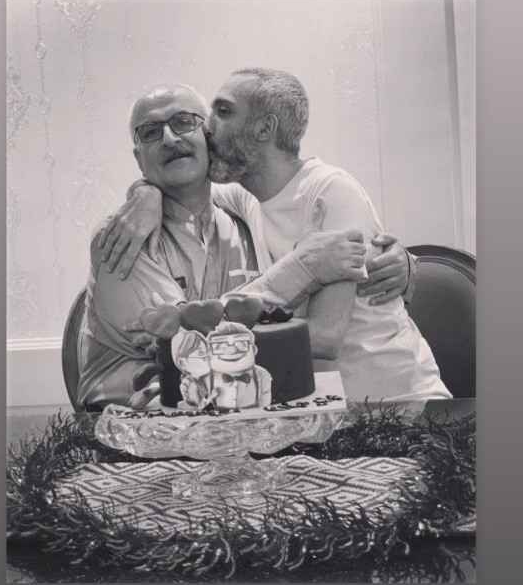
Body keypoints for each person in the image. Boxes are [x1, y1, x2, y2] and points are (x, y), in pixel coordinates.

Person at [98, 69, 450, 401]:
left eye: (222, 112)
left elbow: (325, 338)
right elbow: (181, 184)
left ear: (264, 128)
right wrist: (145, 194)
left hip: (402, 401)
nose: (207, 128)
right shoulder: (246, 199)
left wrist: (198, 336)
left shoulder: (330, 191)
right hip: (323, 409)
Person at [78, 84, 369, 408]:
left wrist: (403, 264)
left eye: (183, 122)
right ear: (139, 160)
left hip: (233, 411)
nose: (169, 139)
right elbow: (184, 340)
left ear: (210, 139)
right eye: (150, 132)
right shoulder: (119, 237)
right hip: (134, 422)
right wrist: (304, 266)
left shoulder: (242, 212)